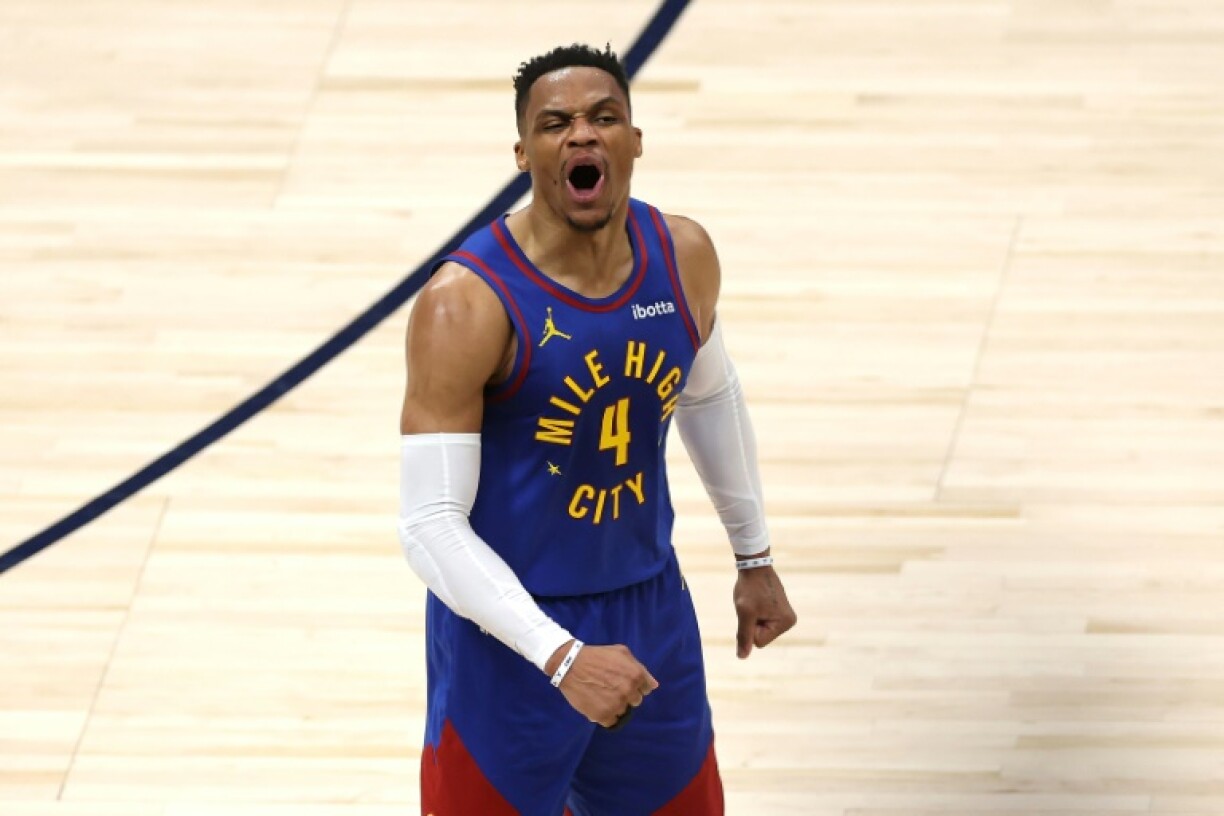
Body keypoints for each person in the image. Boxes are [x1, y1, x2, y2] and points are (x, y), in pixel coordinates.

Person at [397, 43, 797, 816]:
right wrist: (561, 656)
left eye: (603, 117)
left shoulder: (682, 256)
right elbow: (428, 525)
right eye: (556, 124)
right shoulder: (465, 304)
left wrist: (756, 556)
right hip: (509, 639)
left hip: (650, 613)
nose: (581, 135)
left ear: (634, 141)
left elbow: (710, 398)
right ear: (523, 154)